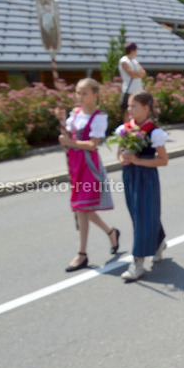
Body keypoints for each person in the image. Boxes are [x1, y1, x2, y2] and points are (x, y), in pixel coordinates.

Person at [53, 78, 118, 272]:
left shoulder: (99, 117)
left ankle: (82, 254)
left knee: (82, 208)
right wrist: (61, 121)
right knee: (83, 208)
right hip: (75, 163)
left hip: (89, 165)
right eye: (78, 93)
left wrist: (70, 143)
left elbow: (92, 145)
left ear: (94, 95)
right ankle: (111, 232)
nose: (79, 97)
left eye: (84, 93)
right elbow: (69, 136)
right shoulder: (75, 114)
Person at [115, 91, 168, 282]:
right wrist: (124, 159)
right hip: (130, 175)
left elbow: (163, 160)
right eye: (129, 106)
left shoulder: (154, 132)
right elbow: (119, 153)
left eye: (133, 106)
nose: (129, 109)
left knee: (143, 216)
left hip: (146, 176)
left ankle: (137, 263)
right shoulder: (125, 129)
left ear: (146, 108)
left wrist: (138, 161)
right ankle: (159, 240)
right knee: (139, 214)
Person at [118, 42, 146, 122]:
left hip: (138, 90)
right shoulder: (124, 61)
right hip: (129, 90)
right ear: (133, 50)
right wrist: (138, 74)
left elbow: (143, 73)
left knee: (137, 110)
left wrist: (137, 74)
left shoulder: (134, 61)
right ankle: (126, 128)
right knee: (128, 111)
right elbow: (132, 74)